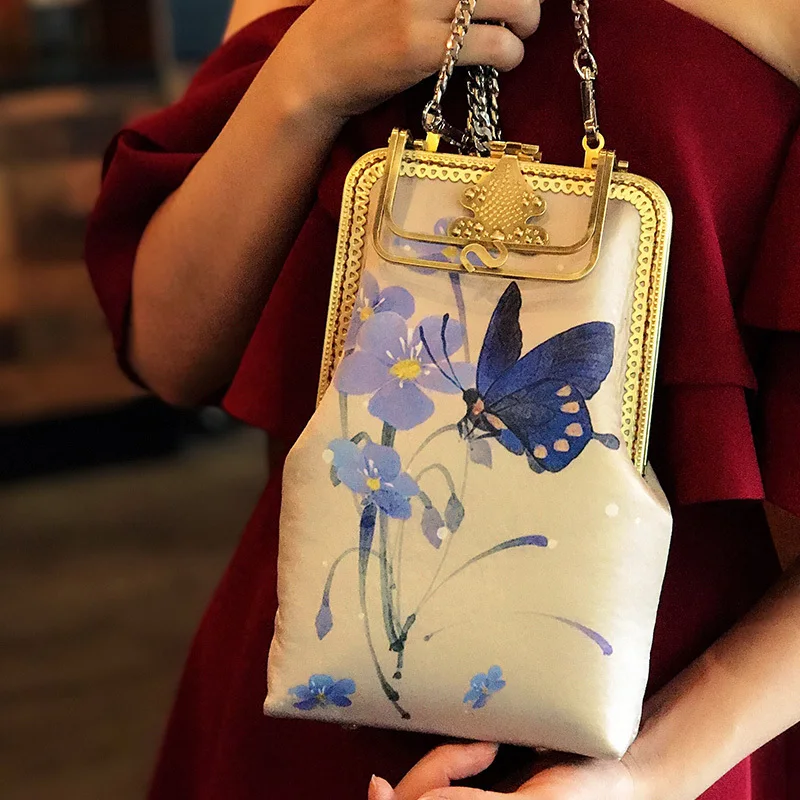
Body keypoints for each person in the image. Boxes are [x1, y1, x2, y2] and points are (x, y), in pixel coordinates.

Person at [84, 0, 800, 797]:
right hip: (314, 676)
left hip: (673, 729)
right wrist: (310, 72)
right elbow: (168, 353)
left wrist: (642, 776)